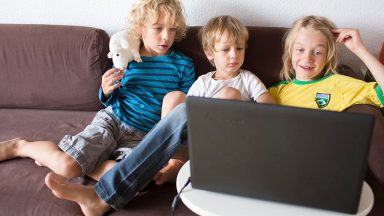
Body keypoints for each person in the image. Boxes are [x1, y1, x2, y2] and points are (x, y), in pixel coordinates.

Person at [42, 15, 275, 216]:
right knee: (175, 98)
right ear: (210, 54)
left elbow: (271, 113)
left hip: (226, 140)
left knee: (229, 95)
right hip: (195, 139)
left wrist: (234, 107)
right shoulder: (203, 81)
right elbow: (186, 112)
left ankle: (102, 195)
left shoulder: (248, 79)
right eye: (226, 49)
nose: (234, 55)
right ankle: (167, 164)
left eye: (239, 48)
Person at [0, 0, 195, 184]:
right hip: (114, 121)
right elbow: (110, 100)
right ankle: (20, 146)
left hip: (144, 136)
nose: (166, 37)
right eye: (158, 28)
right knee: (67, 167)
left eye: (172, 29)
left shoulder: (183, 65)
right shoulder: (127, 57)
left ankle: (83, 160)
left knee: (136, 182)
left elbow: (183, 111)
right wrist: (107, 90)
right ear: (140, 27)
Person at [268, 15, 383, 110]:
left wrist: (360, 50)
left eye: (317, 52)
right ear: (290, 52)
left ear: (328, 56)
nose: (307, 59)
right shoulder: (276, 92)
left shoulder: (339, 85)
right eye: (300, 50)